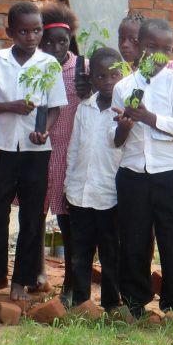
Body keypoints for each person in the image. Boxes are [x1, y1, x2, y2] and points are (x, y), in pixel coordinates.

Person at [0, 1, 67, 301]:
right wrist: (10, 107)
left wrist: (46, 130)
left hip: (36, 151)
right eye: (23, 31)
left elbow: (54, 108)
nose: (31, 37)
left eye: (36, 30)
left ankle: (21, 281)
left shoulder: (48, 65)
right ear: (10, 32)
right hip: (2, 148)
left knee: (31, 216)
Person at [111, 17, 173, 317]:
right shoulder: (123, 86)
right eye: (151, 47)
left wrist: (148, 118)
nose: (159, 56)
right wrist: (124, 126)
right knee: (134, 238)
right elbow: (115, 140)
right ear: (137, 46)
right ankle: (134, 302)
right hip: (133, 173)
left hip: (169, 172)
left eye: (166, 49)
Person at [65, 47, 124, 310]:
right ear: (92, 79)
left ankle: (112, 302)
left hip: (109, 195)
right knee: (80, 251)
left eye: (113, 76)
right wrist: (68, 185)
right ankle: (81, 300)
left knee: (111, 252)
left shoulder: (123, 112)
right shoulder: (84, 109)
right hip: (80, 193)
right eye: (101, 77)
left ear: (121, 76)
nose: (108, 81)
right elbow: (74, 149)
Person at [39, 2, 87, 301]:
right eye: (49, 42)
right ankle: (35, 270)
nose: (56, 48)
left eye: (62, 42)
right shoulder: (37, 68)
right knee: (34, 216)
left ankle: (71, 281)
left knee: (70, 222)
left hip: (70, 156)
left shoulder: (83, 69)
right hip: (41, 153)